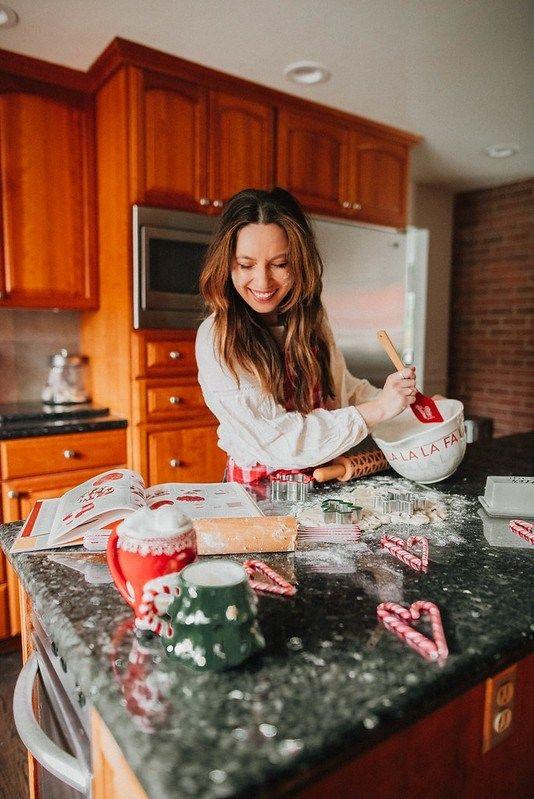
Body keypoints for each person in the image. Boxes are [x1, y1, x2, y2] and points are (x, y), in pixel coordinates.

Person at [195, 187, 417, 483]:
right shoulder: (218, 338)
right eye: (246, 265)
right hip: (258, 496)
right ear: (227, 264)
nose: (262, 281)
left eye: (280, 264)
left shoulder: (311, 317)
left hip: (325, 482)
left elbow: (342, 389)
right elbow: (280, 441)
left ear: (299, 261)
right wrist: (378, 409)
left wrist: (405, 404)